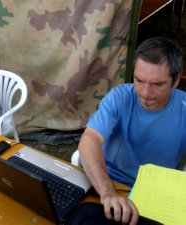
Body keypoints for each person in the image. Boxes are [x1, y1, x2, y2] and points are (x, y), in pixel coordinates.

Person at [78, 37, 186, 225]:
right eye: (139, 80)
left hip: (160, 191)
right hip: (112, 180)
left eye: (157, 84)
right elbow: (90, 139)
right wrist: (108, 192)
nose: (144, 93)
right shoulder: (119, 97)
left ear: (176, 80)